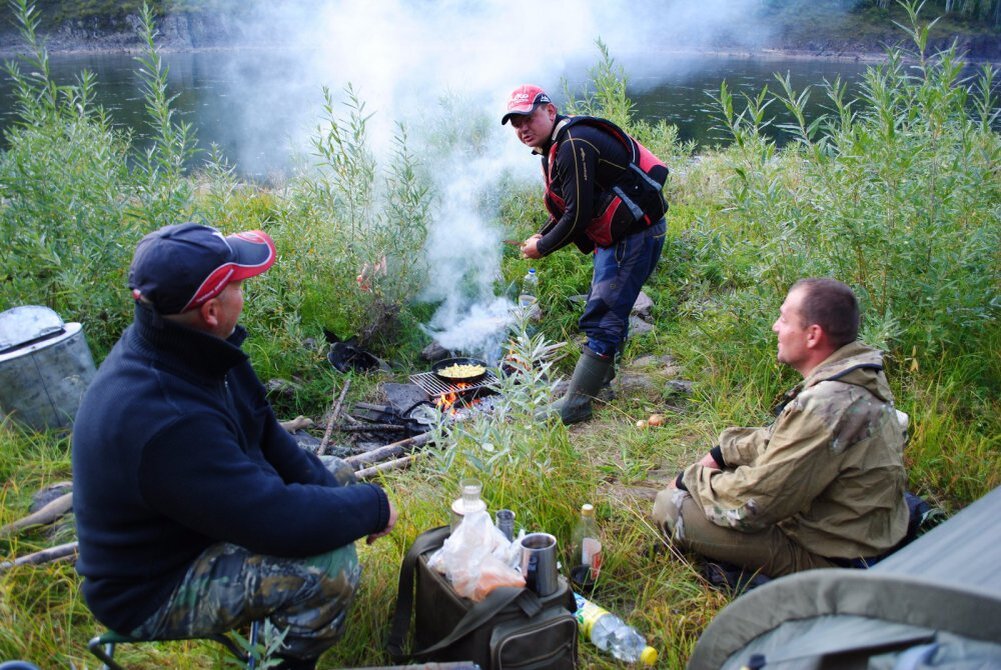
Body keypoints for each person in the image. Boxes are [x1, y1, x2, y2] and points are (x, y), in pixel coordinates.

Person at [72, 222, 397, 670]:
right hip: (154, 583)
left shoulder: (197, 351)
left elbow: (267, 434)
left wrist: (353, 503)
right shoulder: (164, 418)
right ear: (210, 310)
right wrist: (373, 508)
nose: (245, 293)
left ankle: (267, 614)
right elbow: (273, 520)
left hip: (193, 523)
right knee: (325, 567)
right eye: (239, 285)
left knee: (337, 473)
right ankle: (279, 661)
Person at [652, 278, 909, 578]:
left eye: (784, 319)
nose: (775, 326)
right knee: (728, 476)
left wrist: (690, 479)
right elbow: (782, 439)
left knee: (670, 506)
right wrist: (722, 452)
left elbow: (754, 505)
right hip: (865, 534)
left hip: (835, 559)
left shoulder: (825, 404)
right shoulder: (858, 373)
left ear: (813, 335)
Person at [502, 84, 669, 424]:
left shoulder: (573, 144)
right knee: (610, 308)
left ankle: (576, 405)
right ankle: (598, 383)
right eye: (516, 122)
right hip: (627, 232)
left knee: (604, 314)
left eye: (529, 118)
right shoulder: (559, 142)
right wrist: (544, 233)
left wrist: (543, 248)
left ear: (550, 111)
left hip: (634, 236)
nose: (523, 129)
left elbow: (578, 215)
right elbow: (574, 205)